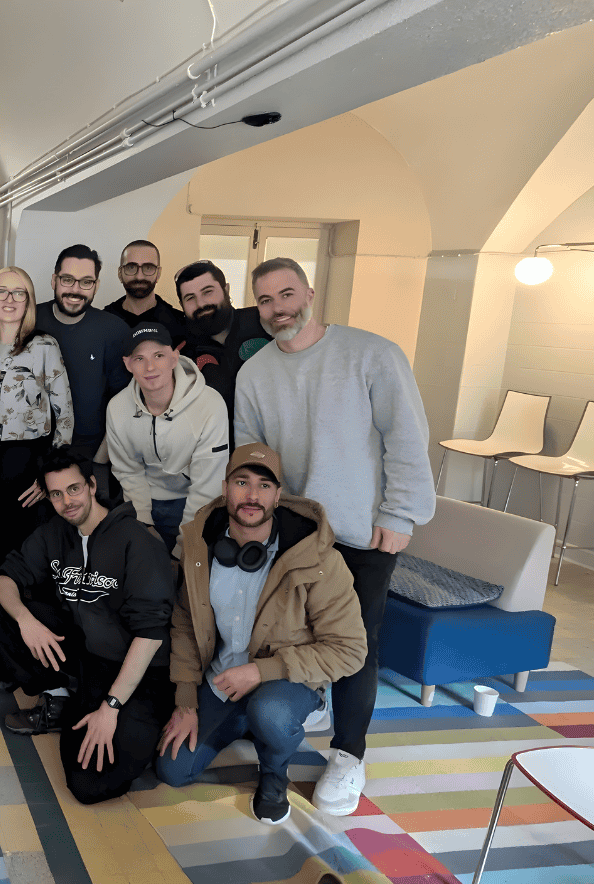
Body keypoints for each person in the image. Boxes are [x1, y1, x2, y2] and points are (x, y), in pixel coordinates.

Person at [234, 256, 434, 816]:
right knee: (292, 632)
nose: (279, 309)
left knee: (356, 646)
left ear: (310, 293)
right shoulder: (255, 375)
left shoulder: (372, 354)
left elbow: (407, 439)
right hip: (294, 533)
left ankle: (349, 754)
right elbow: (254, 459)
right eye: (267, 301)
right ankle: (309, 703)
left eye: (287, 294)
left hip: (363, 531)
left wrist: (402, 513)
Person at [156, 443, 366, 825]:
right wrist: (186, 699)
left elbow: (350, 650)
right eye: (242, 482)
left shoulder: (318, 560)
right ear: (225, 489)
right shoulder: (199, 549)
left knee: (269, 711)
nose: (252, 495)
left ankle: (274, 770)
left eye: (264, 486)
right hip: (222, 677)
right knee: (172, 770)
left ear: (279, 496)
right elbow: (185, 622)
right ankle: (245, 719)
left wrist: (261, 672)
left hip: (288, 679)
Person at [0, 448, 174, 804]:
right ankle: (61, 697)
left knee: (90, 786)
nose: (67, 501)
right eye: (55, 493)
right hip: (89, 659)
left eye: (74, 489)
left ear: (92, 485)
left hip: (141, 672)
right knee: (2, 609)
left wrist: (111, 707)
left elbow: (150, 635)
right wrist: (26, 621)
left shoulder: (137, 541)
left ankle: (139, 723)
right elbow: (4, 579)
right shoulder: (56, 533)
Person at [0, 266, 75, 592]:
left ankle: (27, 633)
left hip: (25, 460)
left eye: (18, 292)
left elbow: (65, 416)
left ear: (29, 301)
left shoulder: (44, 346)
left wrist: (51, 475)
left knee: (26, 553)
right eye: (1, 291)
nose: (9, 299)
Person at [105, 322, 229, 553]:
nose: (150, 367)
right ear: (128, 364)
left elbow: (207, 486)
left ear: (174, 358)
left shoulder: (210, 405)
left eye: (159, 355)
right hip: (144, 501)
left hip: (194, 502)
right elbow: (128, 472)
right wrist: (144, 525)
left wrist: (183, 548)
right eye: (139, 358)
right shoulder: (117, 408)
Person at [34, 244, 130, 459]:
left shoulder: (114, 330)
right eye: (67, 279)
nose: (75, 290)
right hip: (32, 446)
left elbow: (125, 400)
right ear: (54, 280)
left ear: (96, 286)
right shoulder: (29, 320)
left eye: (86, 282)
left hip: (89, 450)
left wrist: (102, 457)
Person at [173, 260, 270, 429]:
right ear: (182, 306)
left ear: (226, 289)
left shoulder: (264, 321)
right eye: (190, 298)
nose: (201, 304)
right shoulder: (181, 353)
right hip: (217, 446)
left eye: (208, 292)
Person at [104, 240, 186, 342]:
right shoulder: (101, 322)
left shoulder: (180, 324)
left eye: (148, 267)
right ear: (120, 273)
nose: (139, 276)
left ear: (158, 274)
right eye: (131, 267)